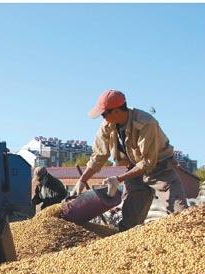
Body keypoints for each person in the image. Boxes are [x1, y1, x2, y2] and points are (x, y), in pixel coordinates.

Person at [72, 89, 187, 231]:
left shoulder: (146, 123)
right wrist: (83, 180)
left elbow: (148, 162)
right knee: (129, 222)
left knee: (181, 214)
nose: (102, 118)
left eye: (103, 114)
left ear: (116, 111)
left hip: (160, 166)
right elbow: (98, 156)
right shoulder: (107, 127)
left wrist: (118, 179)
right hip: (134, 169)